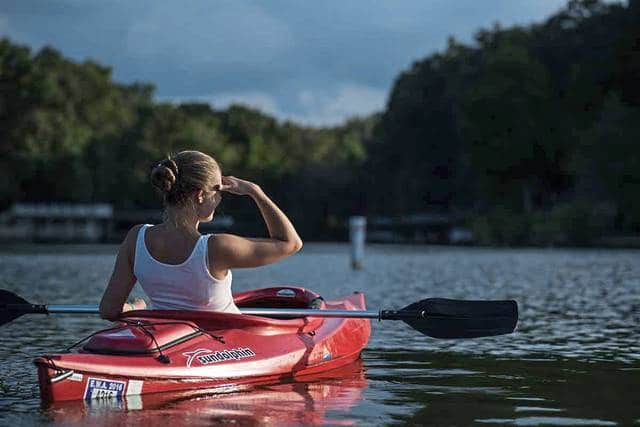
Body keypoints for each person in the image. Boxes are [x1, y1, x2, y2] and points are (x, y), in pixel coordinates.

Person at [99, 150, 303, 320]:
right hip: (222, 347)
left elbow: (109, 310)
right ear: (200, 195)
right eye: (218, 191)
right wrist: (255, 192)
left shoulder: (136, 238)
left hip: (171, 342)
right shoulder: (216, 247)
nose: (220, 198)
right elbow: (291, 243)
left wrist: (137, 309)